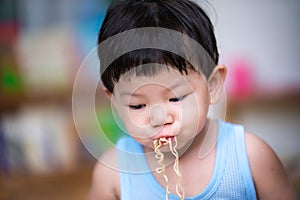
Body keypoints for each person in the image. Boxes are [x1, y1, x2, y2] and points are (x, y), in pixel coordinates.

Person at [89, 0, 297, 199]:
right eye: (138, 105)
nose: (160, 118)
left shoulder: (252, 158)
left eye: (176, 98)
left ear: (212, 86)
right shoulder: (112, 173)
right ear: (115, 102)